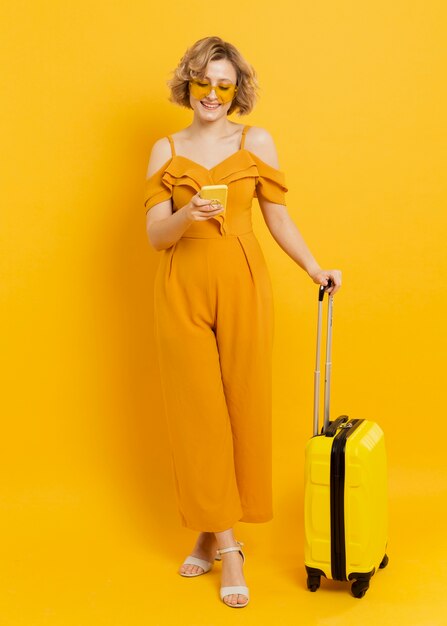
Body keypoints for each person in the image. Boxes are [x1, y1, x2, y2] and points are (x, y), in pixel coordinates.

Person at [143, 36, 342, 608]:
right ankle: (231, 549)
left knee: (241, 406)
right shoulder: (166, 148)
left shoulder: (255, 142)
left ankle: (210, 527)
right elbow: (156, 237)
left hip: (245, 283)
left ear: (237, 89)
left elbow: (277, 215)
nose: (212, 93)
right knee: (198, 413)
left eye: (223, 84)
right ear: (188, 83)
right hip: (183, 285)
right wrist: (186, 215)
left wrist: (312, 266)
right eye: (203, 81)